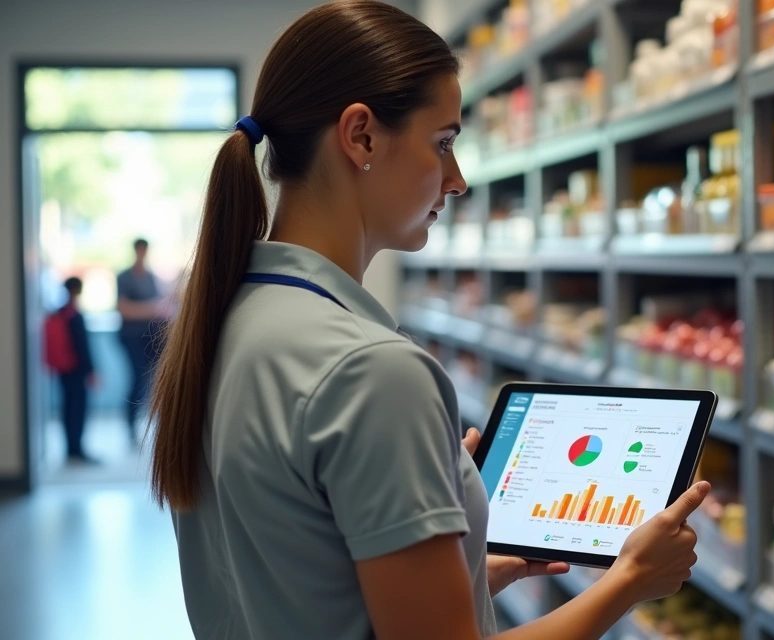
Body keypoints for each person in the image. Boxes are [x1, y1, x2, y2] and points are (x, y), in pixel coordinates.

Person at [148, 3, 705, 639]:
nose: (457, 179)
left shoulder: (228, 320)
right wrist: (630, 578)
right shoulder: (373, 373)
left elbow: (294, 582)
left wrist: (457, 562)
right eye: (442, 143)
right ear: (361, 136)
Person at [116, 237, 164, 440]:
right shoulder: (125, 277)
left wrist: (149, 310)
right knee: (137, 379)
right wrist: (150, 309)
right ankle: (130, 425)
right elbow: (124, 310)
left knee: (154, 380)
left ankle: (154, 424)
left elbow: (158, 307)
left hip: (149, 336)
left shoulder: (150, 277)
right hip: (131, 337)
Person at [56, 277, 96, 463]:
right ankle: (76, 449)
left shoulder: (59, 313)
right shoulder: (75, 315)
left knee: (67, 407)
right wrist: (91, 370)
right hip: (77, 370)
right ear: (77, 290)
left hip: (63, 369)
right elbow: (83, 347)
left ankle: (70, 448)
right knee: (78, 409)